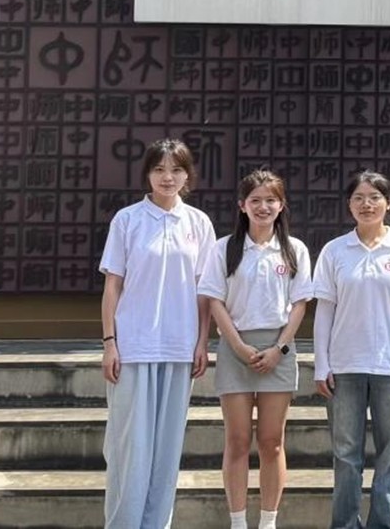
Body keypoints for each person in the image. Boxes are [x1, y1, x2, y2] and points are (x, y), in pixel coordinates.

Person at [99, 138, 216, 529]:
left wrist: (202, 342)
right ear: (147, 174)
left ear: (188, 175)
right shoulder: (128, 220)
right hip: (133, 347)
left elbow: (204, 291)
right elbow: (113, 286)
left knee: (167, 449)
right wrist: (110, 343)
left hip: (180, 348)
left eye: (177, 169)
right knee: (129, 446)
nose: (168, 177)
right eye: (160, 169)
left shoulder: (198, 223)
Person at [312, 170, 390, 529]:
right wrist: (321, 363)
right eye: (359, 198)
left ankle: (384, 523)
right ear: (349, 204)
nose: (366, 204)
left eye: (374, 197)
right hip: (345, 366)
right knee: (345, 455)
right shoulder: (335, 251)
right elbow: (324, 311)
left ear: (388, 203)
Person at [197, 169, 313, 529]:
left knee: (271, 441)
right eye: (255, 200)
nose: (263, 207)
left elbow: (299, 305)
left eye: (271, 200)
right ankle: (237, 521)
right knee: (237, 440)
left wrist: (279, 348)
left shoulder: (294, 250)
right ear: (242, 205)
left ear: (282, 205)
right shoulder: (223, 249)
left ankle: (268, 521)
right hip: (236, 348)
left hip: (279, 350)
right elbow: (214, 300)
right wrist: (237, 345)